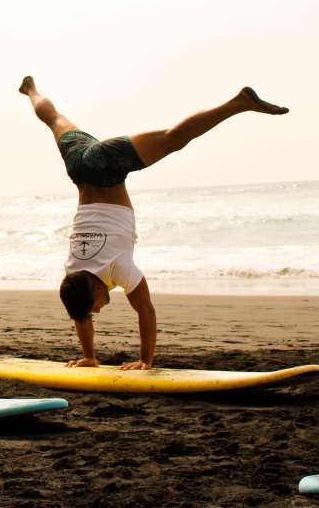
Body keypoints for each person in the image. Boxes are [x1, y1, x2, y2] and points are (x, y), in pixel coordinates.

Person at [18, 75, 288, 370]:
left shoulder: (116, 269)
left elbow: (145, 311)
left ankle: (239, 103)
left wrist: (145, 361)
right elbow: (81, 315)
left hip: (106, 167)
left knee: (174, 139)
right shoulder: (72, 272)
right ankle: (31, 90)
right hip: (79, 167)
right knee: (54, 119)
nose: (98, 309)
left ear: (96, 291)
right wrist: (90, 358)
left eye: (95, 307)